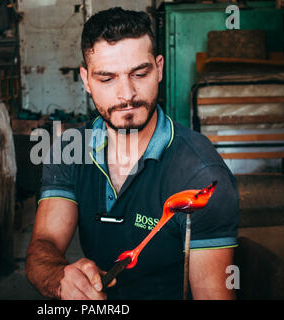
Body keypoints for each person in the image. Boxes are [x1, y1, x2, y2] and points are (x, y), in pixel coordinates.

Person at [25, 7, 239, 300]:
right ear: (86, 80)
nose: (126, 94)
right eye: (107, 79)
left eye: (139, 73)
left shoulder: (201, 177)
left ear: (159, 68)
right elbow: (43, 245)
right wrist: (61, 278)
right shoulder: (68, 150)